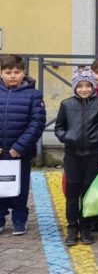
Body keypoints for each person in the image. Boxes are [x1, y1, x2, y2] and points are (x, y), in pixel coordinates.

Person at [54, 67, 98, 246]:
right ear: (75, 87)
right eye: (80, 86)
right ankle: (72, 227)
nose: (84, 89)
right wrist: (67, 136)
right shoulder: (66, 104)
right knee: (71, 194)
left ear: (93, 86)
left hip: (93, 156)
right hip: (72, 156)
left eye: (88, 85)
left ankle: (85, 227)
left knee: (88, 194)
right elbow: (59, 127)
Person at [0, 54, 45, 236]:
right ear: (1, 73)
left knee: (20, 187)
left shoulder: (33, 95)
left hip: (20, 153)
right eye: (8, 72)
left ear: (23, 73)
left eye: (17, 72)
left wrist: (20, 146)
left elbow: (37, 123)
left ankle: (19, 218)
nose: (12, 76)